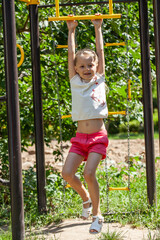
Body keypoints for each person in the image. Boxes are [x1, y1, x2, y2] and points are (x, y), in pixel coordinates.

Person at [62, 15, 109, 234]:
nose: (87, 68)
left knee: (90, 173)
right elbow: (71, 55)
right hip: (80, 138)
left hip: (98, 136)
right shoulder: (74, 82)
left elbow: (101, 53)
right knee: (67, 174)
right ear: (76, 68)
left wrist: (97, 29)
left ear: (96, 66)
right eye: (82, 66)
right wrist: (71, 31)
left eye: (90, 65)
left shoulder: (99, 79)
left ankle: (97, 216)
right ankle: (86, 199)